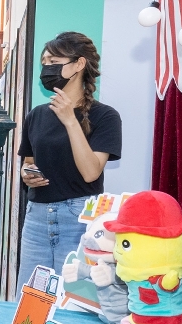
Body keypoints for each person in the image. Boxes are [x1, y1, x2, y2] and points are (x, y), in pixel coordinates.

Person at [17, 32, 122, 291]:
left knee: (74, 296)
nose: (47, 68)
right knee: (30, 296)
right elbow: (28, 161)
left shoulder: (105, 116)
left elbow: (91, 172)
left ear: (79, 64)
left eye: (54, 61)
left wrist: (70, 121)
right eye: (44, 62)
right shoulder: (36, 115)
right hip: (36, 216)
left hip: (79, 217)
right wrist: (27, 173)